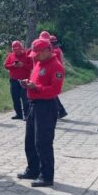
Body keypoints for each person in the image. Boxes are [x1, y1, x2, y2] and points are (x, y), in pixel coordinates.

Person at [17, 38, 65, 187]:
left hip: (46, 106)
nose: (35, 56)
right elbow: (38, 82)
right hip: (34, 105)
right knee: (30, 140)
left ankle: (46, 176)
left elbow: (55, 90)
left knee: (43, 142)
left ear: (47, 51)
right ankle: (33, 169)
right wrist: (28, 84)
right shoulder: (38, 63)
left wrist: (36, 88)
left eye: (38, 53)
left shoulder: (56, 67)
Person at [4, 40, 33, 120]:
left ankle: (26, 114)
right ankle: (18, 114)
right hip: (14, 80)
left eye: (18, 49)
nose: (17, 51)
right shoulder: (11, 56)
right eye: (15, 50)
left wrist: (23, 65)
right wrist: (13, 65)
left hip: (25, 80)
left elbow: (32, 66)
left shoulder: (27, 55)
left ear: (21, 48)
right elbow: (6, 65)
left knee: (25, 98)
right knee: (15, 98)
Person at [49, 35, 68, 119]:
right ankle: (61, 111)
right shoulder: (58, 50)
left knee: (52, 94)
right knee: (53, 94)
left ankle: (61, 110)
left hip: (54, 74)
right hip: (58, 73)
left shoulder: (54, 51)